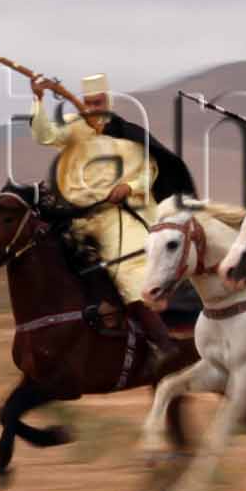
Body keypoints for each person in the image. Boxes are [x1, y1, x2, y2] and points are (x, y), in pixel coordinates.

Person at [28, 72, 194, 314]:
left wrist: (129, 187)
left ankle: (153, 330)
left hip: (117, 215)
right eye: (89, 102)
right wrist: (39, 98)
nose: (93, 107)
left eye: (98, 102)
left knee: (129, 267)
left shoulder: (128, 134)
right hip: (74, 216)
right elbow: (45, 135)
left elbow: (149, 170)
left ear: (108, 103)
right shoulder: (74, 126)